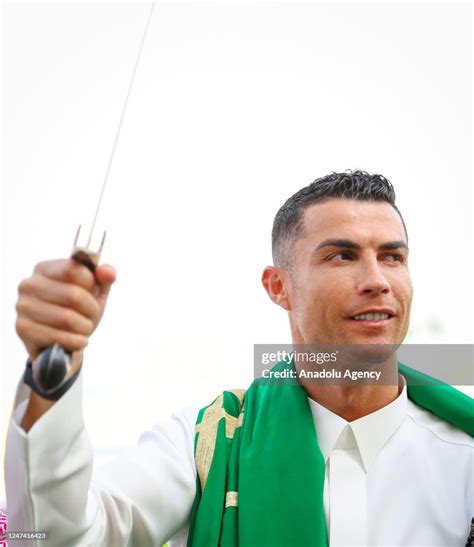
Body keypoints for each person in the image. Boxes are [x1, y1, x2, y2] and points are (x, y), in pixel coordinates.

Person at [5, 170, 473, 546]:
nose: (378, 280)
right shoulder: (204, 447)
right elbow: (53, 538)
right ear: (278, 287)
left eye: (393, 257)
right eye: (342, 256)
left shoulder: (465, 456)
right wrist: (53, 367)